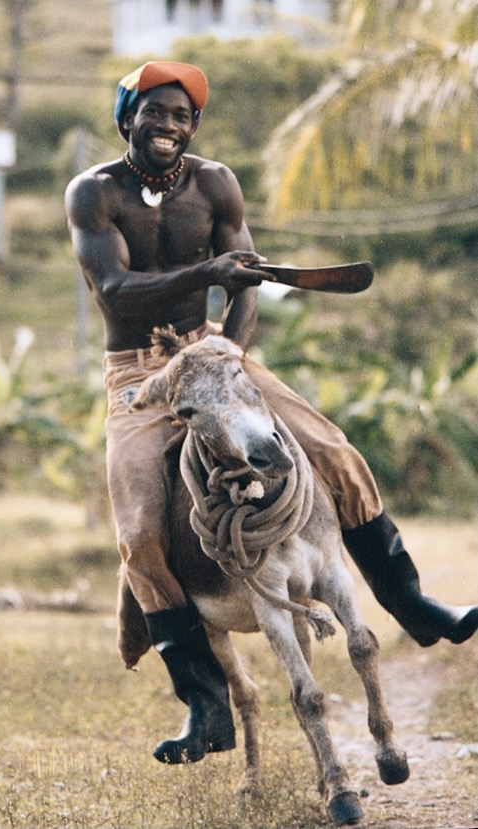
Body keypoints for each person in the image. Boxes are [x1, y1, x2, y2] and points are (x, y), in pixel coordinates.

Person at [65, 60, 478, 765]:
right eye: (152, 112)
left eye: (179, 116)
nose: (165, 125)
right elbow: (114, 285)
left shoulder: (217, 183)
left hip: (216, 351)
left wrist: (231, 349)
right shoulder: (93, 192)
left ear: (192, 126)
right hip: (138, 371)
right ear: (124, 119)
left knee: (335, 451)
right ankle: (205, 704)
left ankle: (411, 604)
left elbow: (246, 276)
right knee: (137, 531)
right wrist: (207, 276)